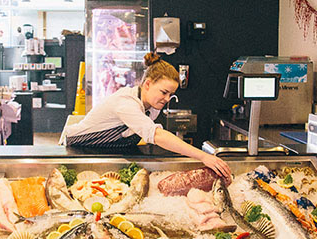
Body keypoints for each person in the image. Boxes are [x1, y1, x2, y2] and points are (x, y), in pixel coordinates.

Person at [62, 52, 231, 179]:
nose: (167, 99)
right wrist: (203, 156)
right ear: (148, 84)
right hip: (76, 152)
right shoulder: (126, 102)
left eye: (170, 95)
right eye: (164, 92)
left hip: (105, 153)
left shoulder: (151, 106)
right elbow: (156, 135)